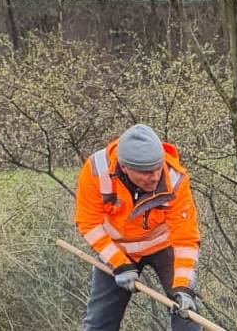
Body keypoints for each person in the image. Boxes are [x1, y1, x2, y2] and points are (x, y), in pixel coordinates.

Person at [75, 124, 201, 331]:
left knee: (187, 316)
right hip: (117, 250)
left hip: (164, 247)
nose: (154, 177)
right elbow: (88, 222)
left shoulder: (175, 179)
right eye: (146, 172)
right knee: (99, 323)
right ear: (125, 167)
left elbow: (186, 239)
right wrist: (119, 264)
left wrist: (183, 286)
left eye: (157, 168)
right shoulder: (97, 170)